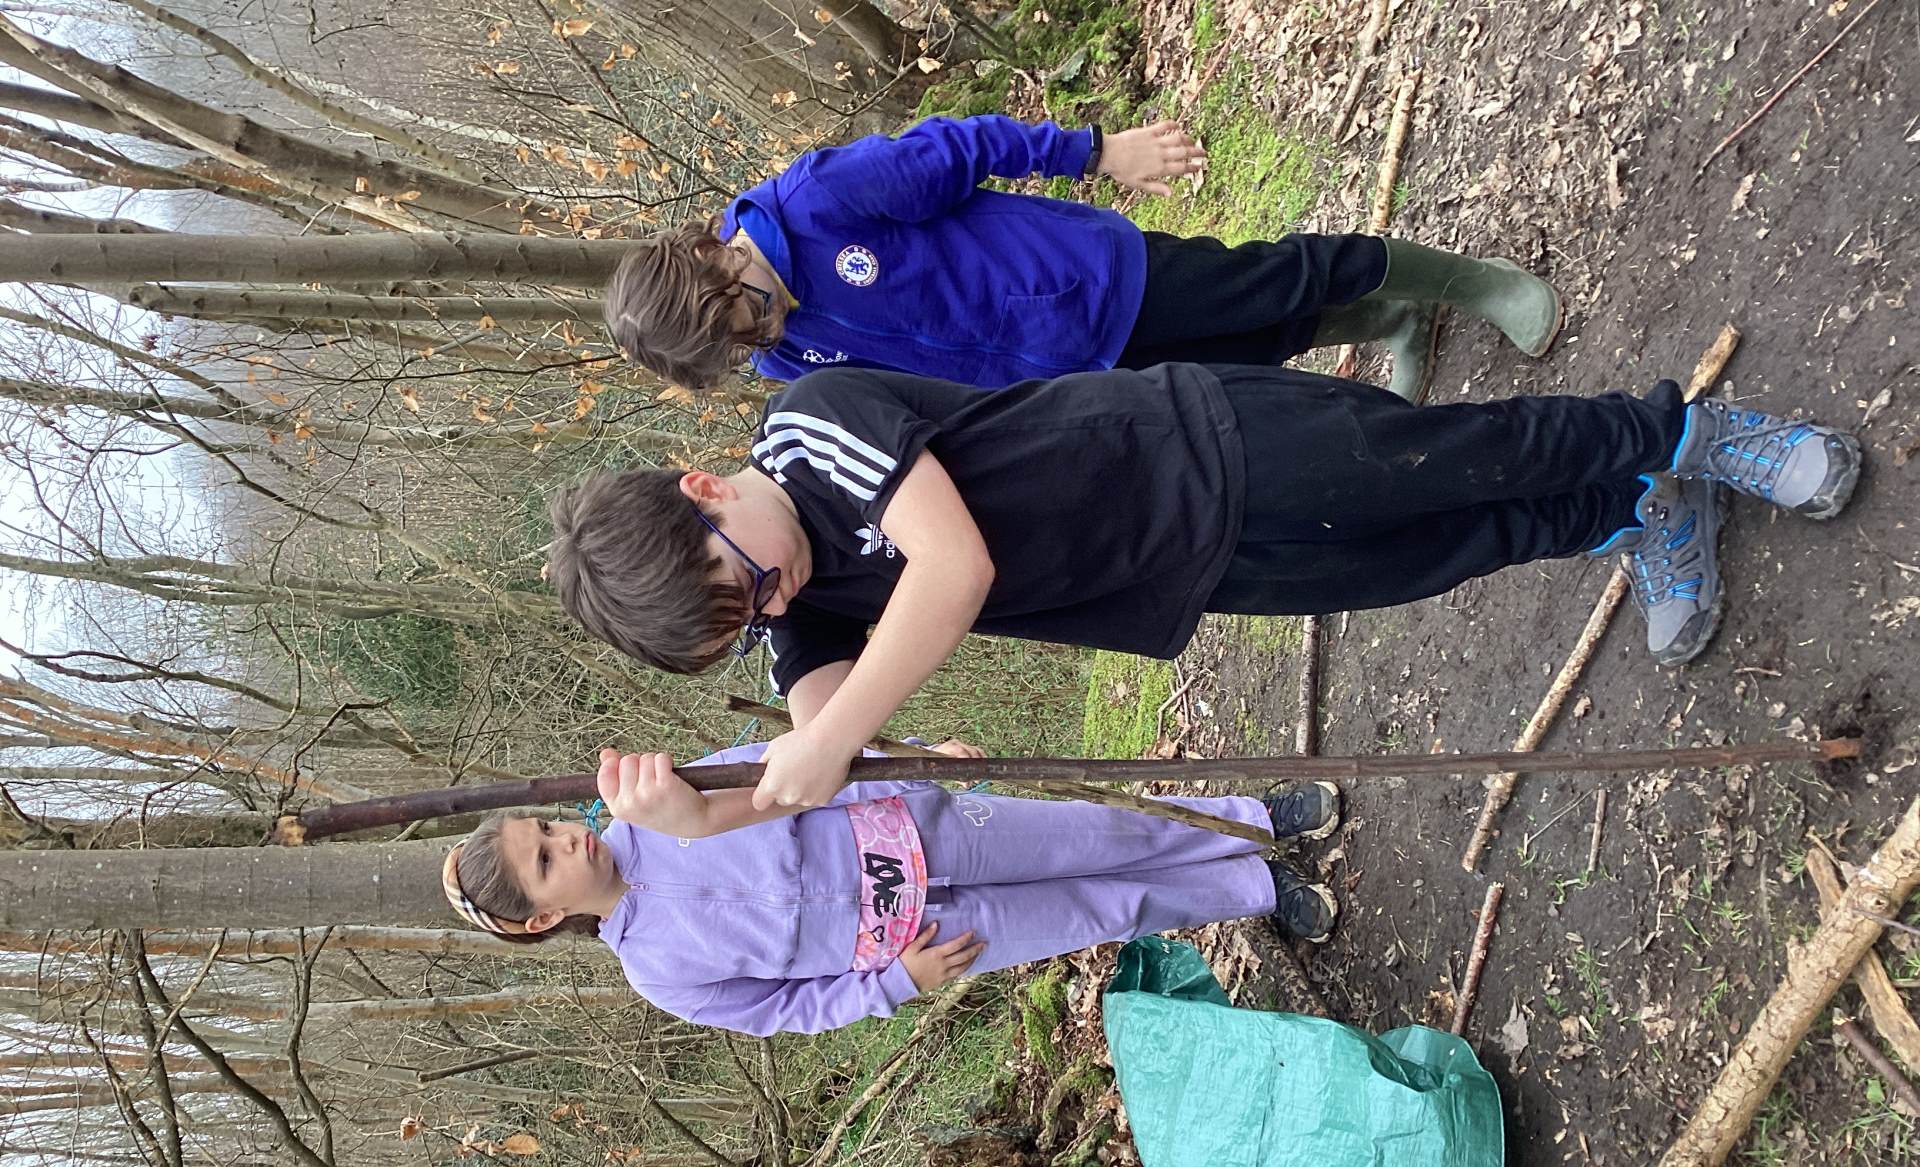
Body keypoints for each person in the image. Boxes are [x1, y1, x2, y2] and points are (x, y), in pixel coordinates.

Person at [544, 363, 1863, 816]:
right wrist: (718, 812)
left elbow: (953, 566)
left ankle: (1688, 434)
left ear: (706, 490)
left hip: (1197, 446)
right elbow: (834, 733)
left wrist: (829, 739)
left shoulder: (811, 431)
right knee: (1423, 555)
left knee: (1451, 458)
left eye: (749, 586)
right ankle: (1633, 513)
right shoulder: (793, 600)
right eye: (750, 629)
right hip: (1179, 571)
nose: (777, 610)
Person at [602, 113, 1561, 402]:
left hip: (1087, 277)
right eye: (743, 348)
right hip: (1066, 368)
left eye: (746, 314)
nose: (762, 336)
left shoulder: (818, 199)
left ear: (717, 261)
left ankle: (1474, 284)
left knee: (1274, 280)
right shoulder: (784, 355)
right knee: (1251, 350)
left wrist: (1099, 153)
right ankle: (1391, 317)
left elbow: (962, 147)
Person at [439, 745, 1345, 1037]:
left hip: (925, 829)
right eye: (546, 861)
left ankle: (1252, 823)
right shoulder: (659, 972)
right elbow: (788, 1011)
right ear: (546, 916)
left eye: (546, 828)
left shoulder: (663, 800)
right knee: (1102, 907)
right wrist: (898, 984)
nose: (565, 839)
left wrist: (914, 764)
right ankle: (1258, 887)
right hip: (921, 939)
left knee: (1101, 836)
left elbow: (799, 767)